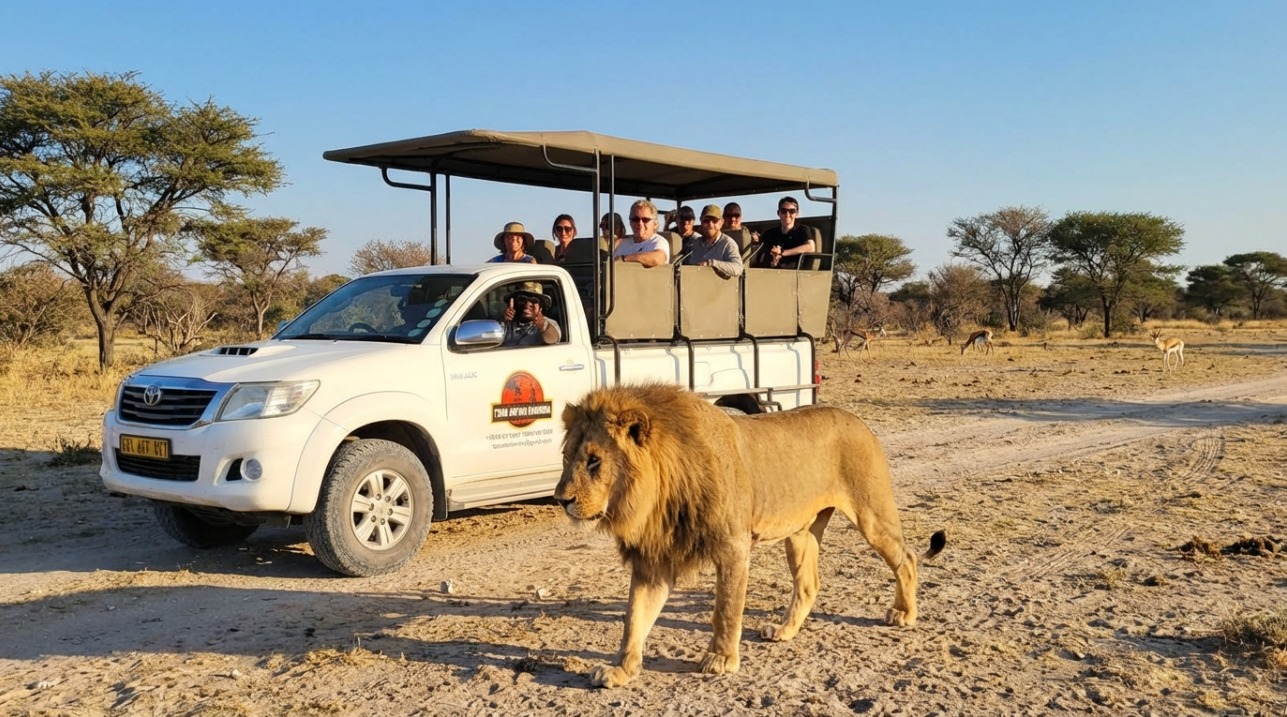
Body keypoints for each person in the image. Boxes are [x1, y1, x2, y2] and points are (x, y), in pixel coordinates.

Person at [752, 196, 814, 269]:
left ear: (797, 214)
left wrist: (782, 252)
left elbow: (810, 247)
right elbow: (760, 245)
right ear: (778, 213)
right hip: (768, 271)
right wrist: (755, 239)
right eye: (784, 211)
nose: (787, 215)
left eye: (792, 211)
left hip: (792, 273)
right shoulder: (770, 233)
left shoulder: (802, 230)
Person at [683, 204, 744, 279]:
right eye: (706, 221)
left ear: (721, 223)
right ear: (701, 222)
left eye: (715, 221)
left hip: (720, 289)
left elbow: (738, 268)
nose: (710, 224)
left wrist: (712, 263)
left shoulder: (728, 244)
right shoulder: (694, 244)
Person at [500, 281, 561, 346]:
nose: (527, 304)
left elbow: (553, 338)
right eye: (522, 299)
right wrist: (504, 319)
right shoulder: (507, 323)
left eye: (534, 300)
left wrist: (543, 326)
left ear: (541, 307)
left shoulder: (549, 323)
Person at [613, 199, 669, 267]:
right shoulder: (622, 243)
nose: (640, 223)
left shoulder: (658, 242)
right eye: (635, 219)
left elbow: (658, 259)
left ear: (655, 224)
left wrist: (625, 259)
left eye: (645, 220)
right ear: (630, 223)